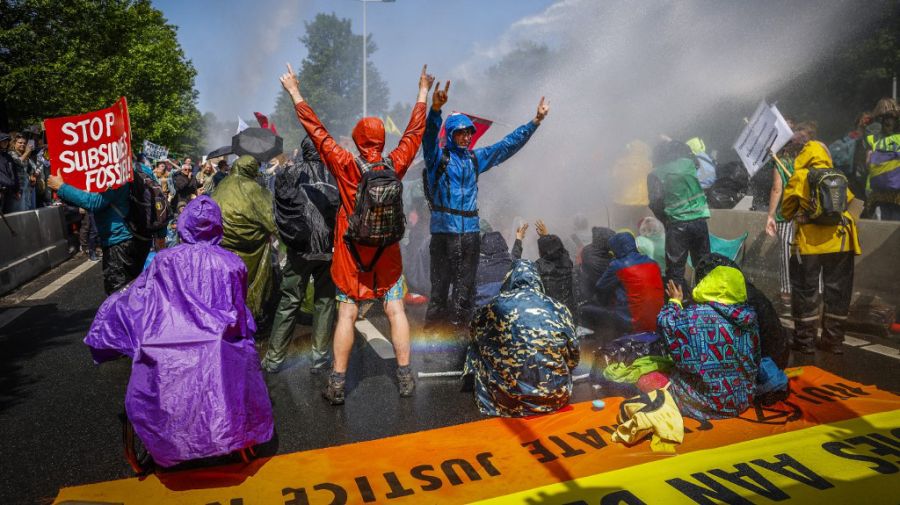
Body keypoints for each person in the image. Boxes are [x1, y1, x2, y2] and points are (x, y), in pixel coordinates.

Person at [280, 62, 432, 404]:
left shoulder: (345, 164)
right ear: (380, 139)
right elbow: (414, 133)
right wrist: (422, 91)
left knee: (347, 313)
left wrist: (294, 91)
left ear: (359, 138)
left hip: (351, 256)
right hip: (387, 254)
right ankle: (405, 377)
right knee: (395, 311)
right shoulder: (395, 163)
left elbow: (316, 131)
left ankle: (337, 383)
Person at [83, 196, 273, 467]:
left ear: (184, 224)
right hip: (219, 349)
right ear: (218, 225)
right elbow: (240, 312)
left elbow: (140, 298)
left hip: (166, 345)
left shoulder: (164, 260)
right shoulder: (232, 263)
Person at [422, 79, 549, 331]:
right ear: (450, 134)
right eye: (461, 132)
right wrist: (435, 110)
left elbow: (506, 147)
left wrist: (535, 122)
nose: (467, 136)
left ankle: (460, 335)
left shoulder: (474, 159)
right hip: (444, 234)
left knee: (465, 290)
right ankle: (434, 337)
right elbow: (427, 138)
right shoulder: (438, 158)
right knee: (439, 289)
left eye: (469, 132)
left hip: (470, 234)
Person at [262, 136, 339, 374]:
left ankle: (274, 359)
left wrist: (289, 237)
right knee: (325, 302)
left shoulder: (289, 173)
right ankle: (319, 359)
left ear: (304, 151)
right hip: (328, 248)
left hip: (299, 249)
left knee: (289, 302)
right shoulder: (334, 174)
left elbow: (279, 205)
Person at [464, 259, 579, 417]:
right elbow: (573, 355)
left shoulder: (496, 305)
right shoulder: (559, 307)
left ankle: (482, 384)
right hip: (555, 399)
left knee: (476, 344)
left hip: (506, 402)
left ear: (511, 278)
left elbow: (474, 332)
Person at [781, 140, 861, 354]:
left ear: (804, 156)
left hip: (809, 245)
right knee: (838, 291)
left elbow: (786, 212)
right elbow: (852, 204)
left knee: (806, 291)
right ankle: (833, 341)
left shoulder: (799, 177)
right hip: (842, 242)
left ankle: (805, 341)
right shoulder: (838, 176)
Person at [657, 263, 760, 420]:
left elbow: (665, 323)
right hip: (741, 401)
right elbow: (756, 357)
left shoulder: (694, 316)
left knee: (651, 377)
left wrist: (675, 302)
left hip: (702, 403)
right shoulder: (748, 316)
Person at [48, 168, 150, 294]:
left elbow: (94, 202)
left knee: (117, 295)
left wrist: (61, 187)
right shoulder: (137, 170)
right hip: (139, 238)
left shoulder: (115, 175)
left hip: (119, 242)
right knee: (133, 291)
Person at [211, 155, 277, 325]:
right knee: (244, 284)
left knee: (224, 286)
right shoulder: (254, 188)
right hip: (248, 247)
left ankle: (224, 314)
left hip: (219, 243)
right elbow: (270, 219)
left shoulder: (222, 184)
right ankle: (247, 316)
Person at [647, 139, 711, 294]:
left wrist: (665, 220)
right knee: (704, 263)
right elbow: (698, 172)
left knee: (675, 269)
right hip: (700, 220)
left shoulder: (655, 174)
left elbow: (656, 202)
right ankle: (707, 299)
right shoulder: (688, 163)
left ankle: (676, 305)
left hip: (677, 225)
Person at [764, 124, 808, 311]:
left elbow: (776, 189)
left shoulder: (779, 161)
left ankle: (787, 296)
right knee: (806, 254)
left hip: (786, 214)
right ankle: (808, 295)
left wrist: (770, 215)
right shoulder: (804, 158)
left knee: (786, 256)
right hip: (805, 214)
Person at [590, 232, 664, 334]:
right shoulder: (652, 262)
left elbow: (600, 287)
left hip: (634, 322)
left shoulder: (617, 265)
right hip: (659, 319)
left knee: (589, 310)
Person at [859, 98, 899, 221]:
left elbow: (867, 161)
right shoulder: (897, 134)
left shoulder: (870, 131)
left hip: (875, 186)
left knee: (879, 224)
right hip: (897, 187)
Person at [578, 226, 616, 303]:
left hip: (588, 295)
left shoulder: (587, 250)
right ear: (605, 242)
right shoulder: (603, 261)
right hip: (601, 300)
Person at [9, 134, 37, 211]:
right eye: (20, 142)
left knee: (26, 211)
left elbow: (33, 168)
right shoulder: (11, 154)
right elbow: (18, 162)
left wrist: (33, 175)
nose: (23, 145)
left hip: (27, 189)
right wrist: (27, 152)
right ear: (14, 144)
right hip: (17, 190)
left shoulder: (26, 156)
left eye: (24, 143)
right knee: (17, 213)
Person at [0, 133, 19, 214]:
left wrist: (16, 190)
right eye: (3, 141)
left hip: (9, 191)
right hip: (1, 191)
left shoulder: (8, 156)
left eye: (7, 141)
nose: (5, 143)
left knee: (9, 215)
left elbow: (14, 174)